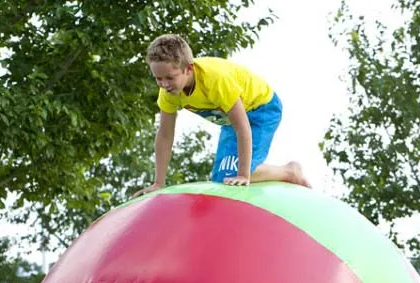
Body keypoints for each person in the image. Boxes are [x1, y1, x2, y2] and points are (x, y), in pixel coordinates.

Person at [132, 34, 310, 196]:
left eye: (170, 77)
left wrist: (243, 175)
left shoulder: (215, 80)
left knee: (233, 175)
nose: (164, 84)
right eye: (158, 78)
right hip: (231, 120)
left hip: (261, 109)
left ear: (188, 69)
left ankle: (289, 172)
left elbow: (242, 127)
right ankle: (251, 172)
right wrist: (158, 183)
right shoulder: (168, 93)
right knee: (221, 179)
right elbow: (164, 135)